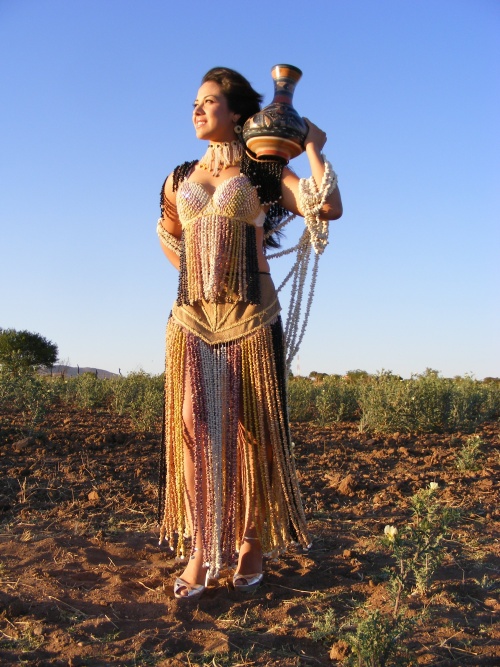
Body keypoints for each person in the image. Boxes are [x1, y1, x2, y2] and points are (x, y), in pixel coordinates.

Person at [156, 67, 342, 599]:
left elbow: (326, 207)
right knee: (194, 425)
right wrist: (198, 269)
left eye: (208, 101)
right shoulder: (178, 175)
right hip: (192, 317)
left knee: (251, 432)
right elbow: (167, 232)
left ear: (236, 113)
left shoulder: (263, 170)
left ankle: (251, 543)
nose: (196, 110)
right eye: (194, 102)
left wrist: (313, 147)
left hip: (251, 317)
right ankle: (201, 549)